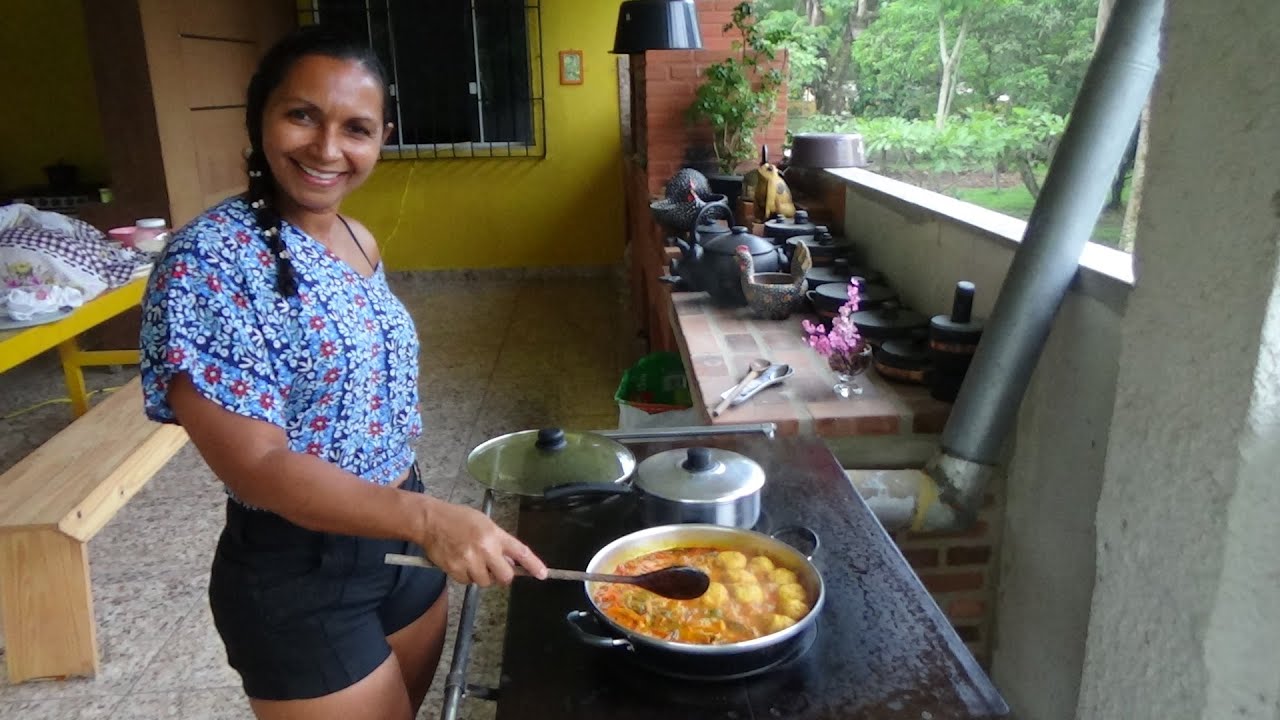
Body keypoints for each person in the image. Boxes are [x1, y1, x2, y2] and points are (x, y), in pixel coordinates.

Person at [138, 25, 547, 720]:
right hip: (302, 571)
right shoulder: (208, 263)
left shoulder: (359, 239)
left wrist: (415, 517)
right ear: (260, 117)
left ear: (381, 137)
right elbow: (257, 466)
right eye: (302, 115)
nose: (328, 149)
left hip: (401, 546)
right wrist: (427, 518)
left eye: (356, 128)